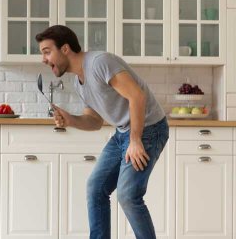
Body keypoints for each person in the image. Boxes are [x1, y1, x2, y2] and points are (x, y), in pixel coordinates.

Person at [35, 25, 169, 239]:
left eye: (47, 51)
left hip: (149, 128)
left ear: (66, 49)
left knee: (128, 195)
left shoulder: (100, 62)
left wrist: (135, 140)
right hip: (122, 133)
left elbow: (137, 96)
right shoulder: (79, 81)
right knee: (95, 189)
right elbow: (94, 121)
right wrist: (70, 119)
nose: (43, 59)